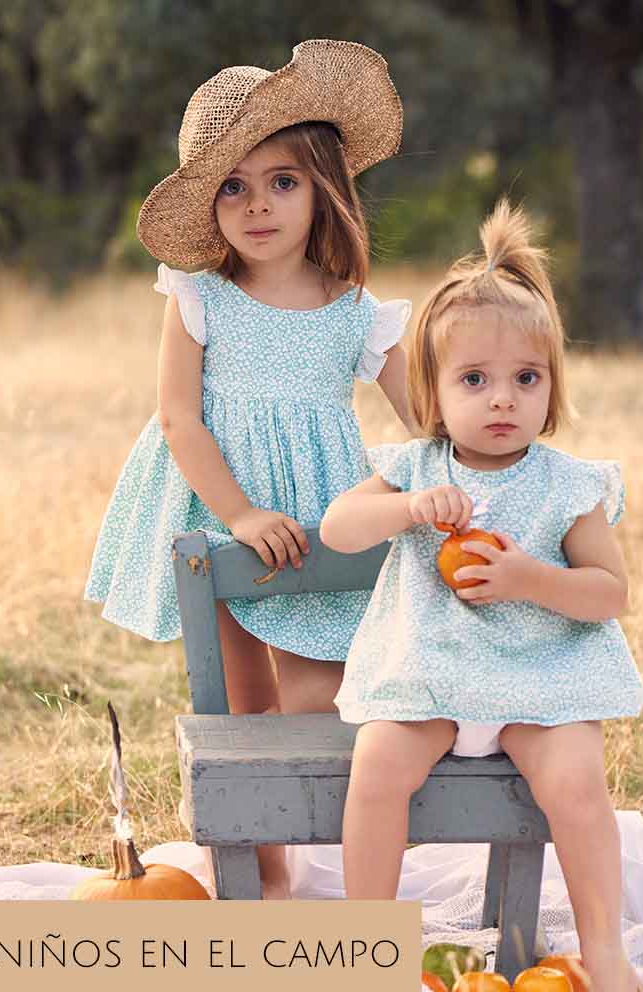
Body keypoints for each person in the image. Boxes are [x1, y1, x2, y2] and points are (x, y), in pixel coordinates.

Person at [84, 40, 414, 897]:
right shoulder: (201, 298)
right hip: (219, 504)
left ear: (323, 190)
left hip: (318, 520)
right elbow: (178, 419)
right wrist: (237, 515)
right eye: (232, 185)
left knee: (314, 697)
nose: (256, 205)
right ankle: (265, 870)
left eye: (282, 181)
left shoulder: (354, 313)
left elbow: (429, 420)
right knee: (236, 698)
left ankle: (326, 840)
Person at [320, 199, 643, 992]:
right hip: (432, 676)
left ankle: (605, 952)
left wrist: (530, 578)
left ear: (551, 388)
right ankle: (370, 949)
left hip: (540, 684)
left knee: (575, 783)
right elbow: (337, 528)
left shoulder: (571, 486)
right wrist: (406, 510)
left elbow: (610, 593)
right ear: (434, 390)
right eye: (475, 380)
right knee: (376, 768)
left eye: (525, 379)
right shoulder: (418, 467)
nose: (502, 400)